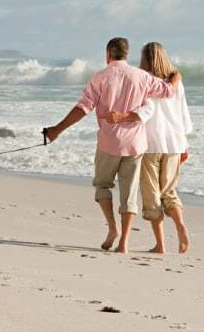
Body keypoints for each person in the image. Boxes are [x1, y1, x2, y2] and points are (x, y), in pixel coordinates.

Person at [43, 36, 180, 254]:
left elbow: (83, 108)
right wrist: (175, 77)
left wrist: (57, 130)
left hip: (108, 143)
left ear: (108, 53)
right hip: (135, 145)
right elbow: (168, 91)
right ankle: (124, 243)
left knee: (102, 185)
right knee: (129, 194)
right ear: (126, 54)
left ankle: (112, 228)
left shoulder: (101, 77)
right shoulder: (143, 77)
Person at [105, 40, 192, 254]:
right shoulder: (176, 83)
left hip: (151, 144)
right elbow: (183, 115)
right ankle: (180, 226)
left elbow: (145, 112)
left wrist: (120, 118)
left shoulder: (144, 81)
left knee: (151, 196)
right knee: (169, 191)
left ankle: (161, 245)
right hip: (174, 143)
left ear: (144, 59)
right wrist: (185, 145)